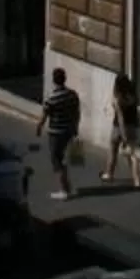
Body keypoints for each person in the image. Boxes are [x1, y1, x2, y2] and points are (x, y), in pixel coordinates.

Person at [37, 67, 81, 201]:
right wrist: (75, 127)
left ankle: (64, 190)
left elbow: (44, 115)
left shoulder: (51, 98)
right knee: (66, 159)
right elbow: (77, 113)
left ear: (54, 80)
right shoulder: (73, 94)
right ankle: (68, 186)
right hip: (69, 130)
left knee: (57, 161)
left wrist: (39, 127)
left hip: (56, 133)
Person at [104, 71, 140, 188]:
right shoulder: (133, 94)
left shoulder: (118, 98)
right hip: (132, 126)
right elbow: (138, 107)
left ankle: (109, 174)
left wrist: (123, 135)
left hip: (118, 128)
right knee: (132, 155)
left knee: (113, 150)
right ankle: (137, 180)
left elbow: (120, 118)